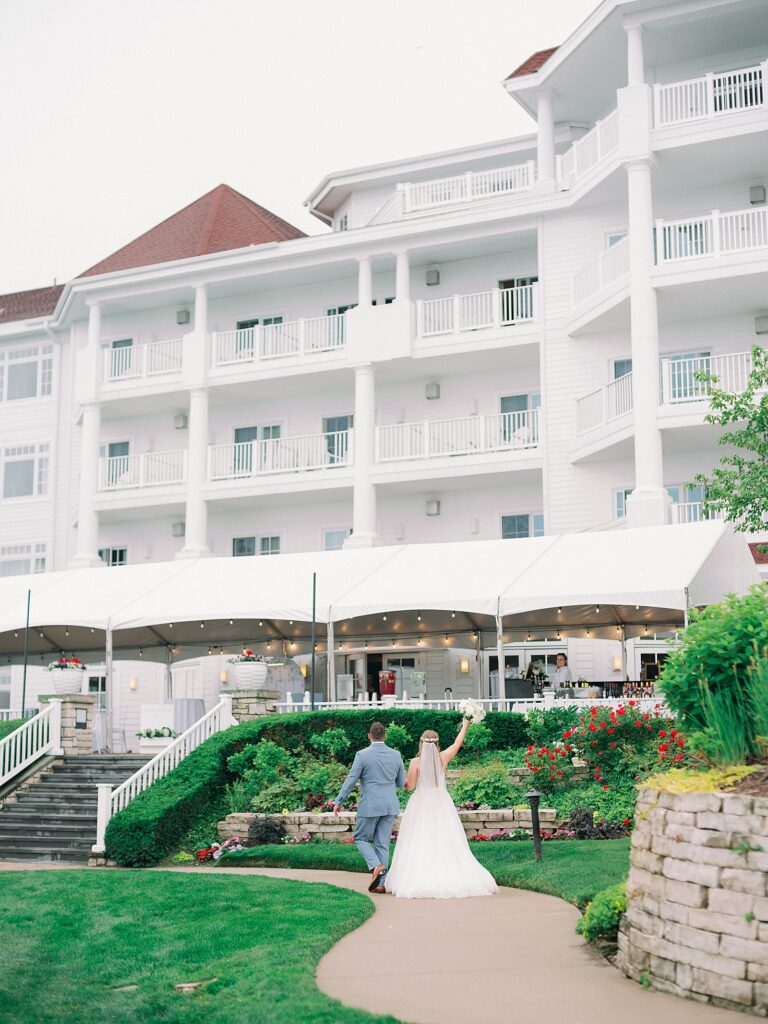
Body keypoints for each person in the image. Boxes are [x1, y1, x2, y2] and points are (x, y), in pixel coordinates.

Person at [384, 720, 498, 899]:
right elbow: (457, 743)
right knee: (446, 837)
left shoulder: (415, 762)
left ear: (421, 743)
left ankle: (419, 876)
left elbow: (410, 786)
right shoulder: (443, 757)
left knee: (419, 837)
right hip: (441, 802)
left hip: (421, 803)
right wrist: (465, 725)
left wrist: (399, 780)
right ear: (437, 744)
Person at [333, 721, 405, 893]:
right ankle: (381, 883)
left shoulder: (362, 755)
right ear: (385, 736)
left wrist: (339, 801)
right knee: (383, 843)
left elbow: (351, 779)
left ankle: (375, 866)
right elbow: (401, 782)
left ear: (369, 736)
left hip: (370, 804)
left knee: (361, 838)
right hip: (390, 805)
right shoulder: (396, 755)